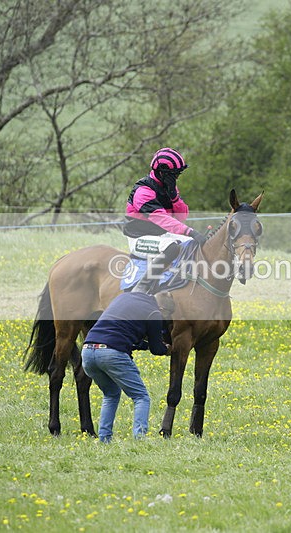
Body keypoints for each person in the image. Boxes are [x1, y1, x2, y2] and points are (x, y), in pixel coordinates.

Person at [81, 287, 175, 442]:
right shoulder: (154, 313)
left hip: (87, 351)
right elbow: (157, 349)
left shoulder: (124, 298)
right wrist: (167, 350)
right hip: (112, 353)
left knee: (110, 394)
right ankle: (140, 438)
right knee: (141, 396)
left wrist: (145, 345)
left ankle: (104, 438)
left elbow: (125, 335)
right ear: (163, 309)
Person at [123, 147, 207, 280]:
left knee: (192, 244)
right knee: (171, 248)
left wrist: (174, 197)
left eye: (178, 174)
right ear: (162, 173)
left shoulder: (169, 188)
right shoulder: (143, 192)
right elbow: (162, 219)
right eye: (174, 174)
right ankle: (144, 285)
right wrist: (190, 231)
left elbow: (181, 217)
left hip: (161, 234)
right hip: (139, 238)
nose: (177, 177)